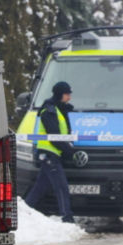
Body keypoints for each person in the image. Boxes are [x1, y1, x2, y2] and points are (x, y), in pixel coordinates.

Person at [25, 80, 76, 223]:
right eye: (67, 94)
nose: (69, 97)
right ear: (60, 94)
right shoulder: (49, 110)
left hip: (53, 153)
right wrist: (70, 151)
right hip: (49, 153)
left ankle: (23, 211)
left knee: (40, 188)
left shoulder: (59, 109)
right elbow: (54, 136)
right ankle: (67, 218)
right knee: (61, 186)